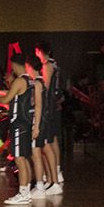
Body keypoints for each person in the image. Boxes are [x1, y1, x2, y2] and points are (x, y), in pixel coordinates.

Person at [0, 51, 40, 205]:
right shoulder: (30, 81)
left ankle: (24, 192)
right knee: (24, 158)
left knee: (19, 159)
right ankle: (26, 191)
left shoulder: (19, 81)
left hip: (19, 124)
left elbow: (5, 99)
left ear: (15, 65)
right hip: (26, 122)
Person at [35, 41, 65, 188]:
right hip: (54, 104)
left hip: (49, 106)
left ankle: (54, 176)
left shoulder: (47, 65)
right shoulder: (55, 64)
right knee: (52, 139)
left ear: (39, 51)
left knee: (48, 141)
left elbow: (45, 88)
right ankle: (56, 173)